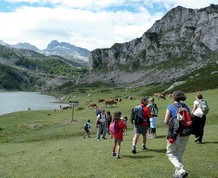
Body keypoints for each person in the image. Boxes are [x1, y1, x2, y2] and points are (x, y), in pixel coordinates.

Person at [164, 90, 190, 178]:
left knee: (170, 153)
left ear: (173, 97)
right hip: (186, 132)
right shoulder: (186, 106)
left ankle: (181, 170)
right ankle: (178, 174)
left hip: (175, 133)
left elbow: (166, 121)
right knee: (179, 153)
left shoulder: (170, 107)